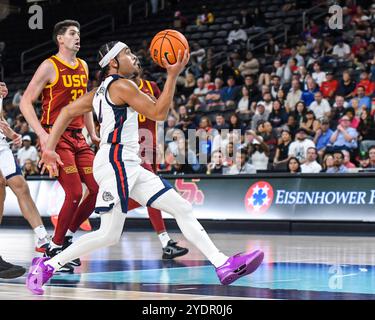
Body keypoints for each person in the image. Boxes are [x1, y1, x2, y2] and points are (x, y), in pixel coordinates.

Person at [27, 41, 264, 295]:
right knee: (108, 233)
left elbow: (65, 113)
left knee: (180, 208)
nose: (134, 56)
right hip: (115, 161)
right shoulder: (120, 85)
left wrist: (49, 147)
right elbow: (158, 113)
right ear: (113, 63)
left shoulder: (98, 92)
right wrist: (173, 75)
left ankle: (222, 264)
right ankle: (48, 266)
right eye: (127, 53)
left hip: (128, 163)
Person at [20, 20, 100, 271]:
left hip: (79, 137)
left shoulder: (84, 65)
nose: (78, 37)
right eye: (72, 34)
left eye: (79, 33)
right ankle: (55, 247)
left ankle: (66, 237)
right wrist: (43, 135)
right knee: (75, 192)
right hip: (58, 137)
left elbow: (85, 103)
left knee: (96, 190)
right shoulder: (49, 66)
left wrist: (93, 133)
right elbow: (25, 102)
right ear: (60, 39)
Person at [130, 71, 188, 259]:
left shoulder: (151, 86)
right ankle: (165, 243)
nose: (135, 62)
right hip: (134, 148)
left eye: (136, 60)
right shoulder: (121, 88)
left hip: (152, 145)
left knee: (150, 194)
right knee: (153, 191)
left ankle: (165, 243)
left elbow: (160, 112)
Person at [0, 115, 50, 254]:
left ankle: (42, 238)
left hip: (2, 145)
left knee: (21, 186)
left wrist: (12, 134)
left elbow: (1, 118)